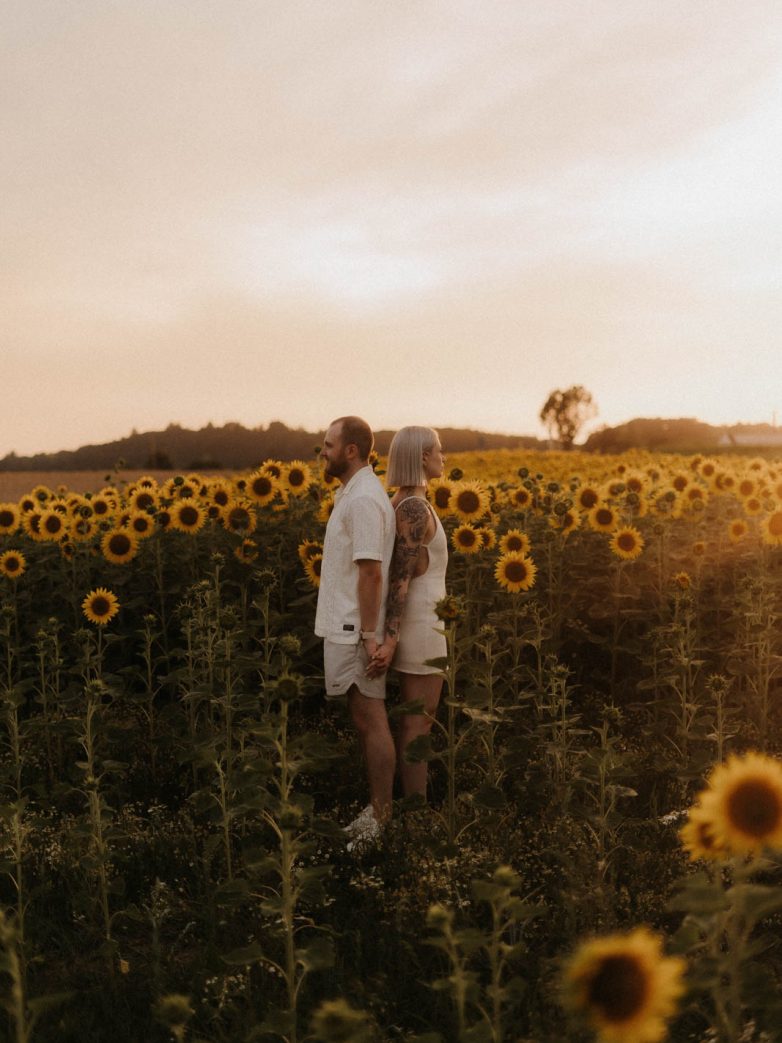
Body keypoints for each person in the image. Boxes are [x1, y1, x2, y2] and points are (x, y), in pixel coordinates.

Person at [314, 416, 397, 849]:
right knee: (364, 719)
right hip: (349, 626)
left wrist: (369, 635)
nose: (322, 451)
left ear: (351, 450)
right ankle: (375, 812)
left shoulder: (364, 499)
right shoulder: (354, 493)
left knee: (370, 721)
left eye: (328, 444)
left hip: (355, 629)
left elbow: (370, 572)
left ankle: (380, 819)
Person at [370, 426, 447, 800]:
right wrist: (392, 635)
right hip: (421, 626)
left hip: (422, 623)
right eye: (439, 451)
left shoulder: (403, 501)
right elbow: (401, 577)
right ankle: (416, 814)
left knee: (417, 724)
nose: (443, 458)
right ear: (421, 458)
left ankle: (411, 809)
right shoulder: (414, 507)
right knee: (419, 726)